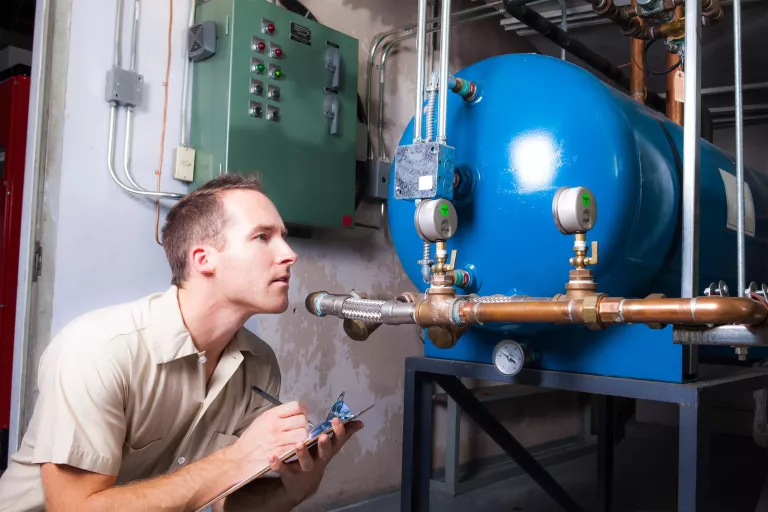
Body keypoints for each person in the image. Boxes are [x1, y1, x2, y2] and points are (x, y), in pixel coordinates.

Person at [0, 174, 363, 511]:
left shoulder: (259, 364)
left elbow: (223, 500)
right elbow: (74, 508)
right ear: (204, 259)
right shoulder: (96, 350)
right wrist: (237, 457)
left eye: (283, 236)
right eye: (263, 237)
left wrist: (299, 485)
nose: (289, 254)